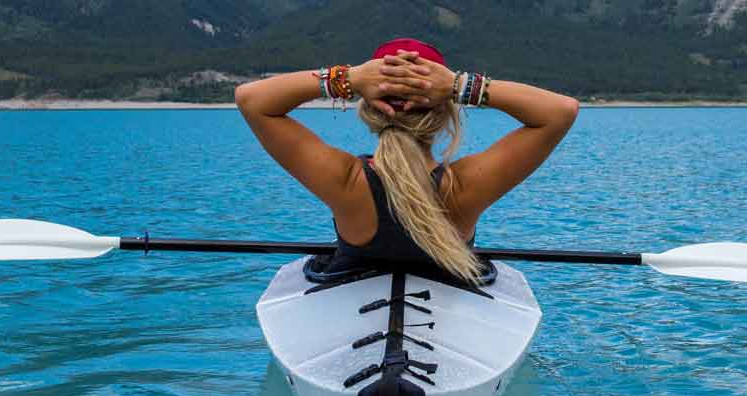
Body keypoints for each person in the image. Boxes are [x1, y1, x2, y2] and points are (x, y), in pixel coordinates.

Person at [235, 38, 579, 284]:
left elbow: (252, 99)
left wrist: (349, 78)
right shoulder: (464, 187)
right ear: (446, 112)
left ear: (369, 108)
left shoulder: (344, 181)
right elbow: (560, 111)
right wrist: (460, 84)